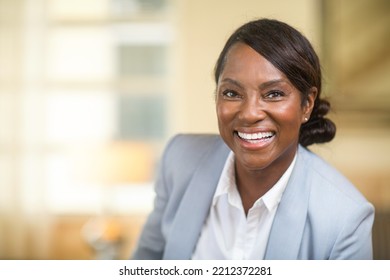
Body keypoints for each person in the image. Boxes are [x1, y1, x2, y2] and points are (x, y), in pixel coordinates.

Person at [132, 18, 374, 260]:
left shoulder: (346, 219)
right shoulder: (180, 160)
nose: (249, 113)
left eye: (274, 94)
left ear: (307, 104)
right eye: (232, 93)